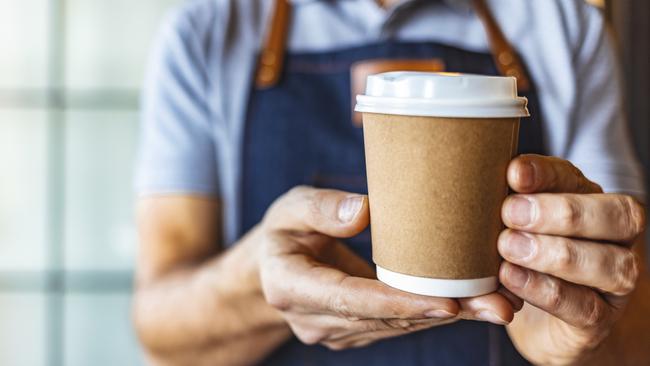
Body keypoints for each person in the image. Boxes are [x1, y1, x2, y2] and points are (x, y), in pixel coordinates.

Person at [132, 0, 650, 365]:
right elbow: (161, 335)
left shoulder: (565, 27)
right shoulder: (207, 33)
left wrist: (583, 336)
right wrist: (259, 287)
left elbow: (634, 332)